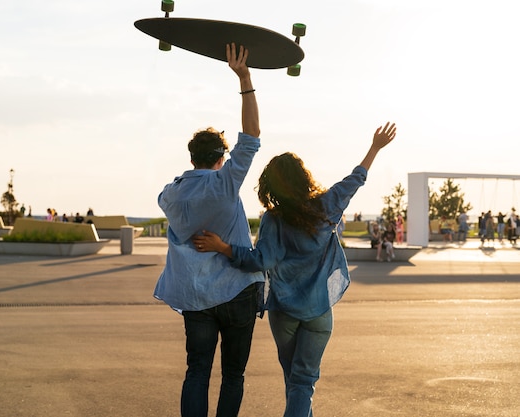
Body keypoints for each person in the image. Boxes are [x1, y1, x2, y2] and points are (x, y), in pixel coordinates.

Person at [193, 122, 397, 417]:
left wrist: (223, 247)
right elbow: (356, 179)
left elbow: (261, 261)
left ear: (270, 186)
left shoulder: (273, 220)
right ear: (304, 179)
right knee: (302, 382)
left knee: (296, 381)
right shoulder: (327, 206)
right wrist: (375, 147)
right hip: (319, 311)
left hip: (284, 313)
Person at [153, 43, 264, 417]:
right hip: (236, 292)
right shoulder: (224, 183)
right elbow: (252, 137)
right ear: (220, 158)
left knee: (196, 372)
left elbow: (164, 197)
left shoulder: (171, 194)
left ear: (191, 157)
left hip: (196, 299)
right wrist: (245, 79)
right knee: (233, 375)